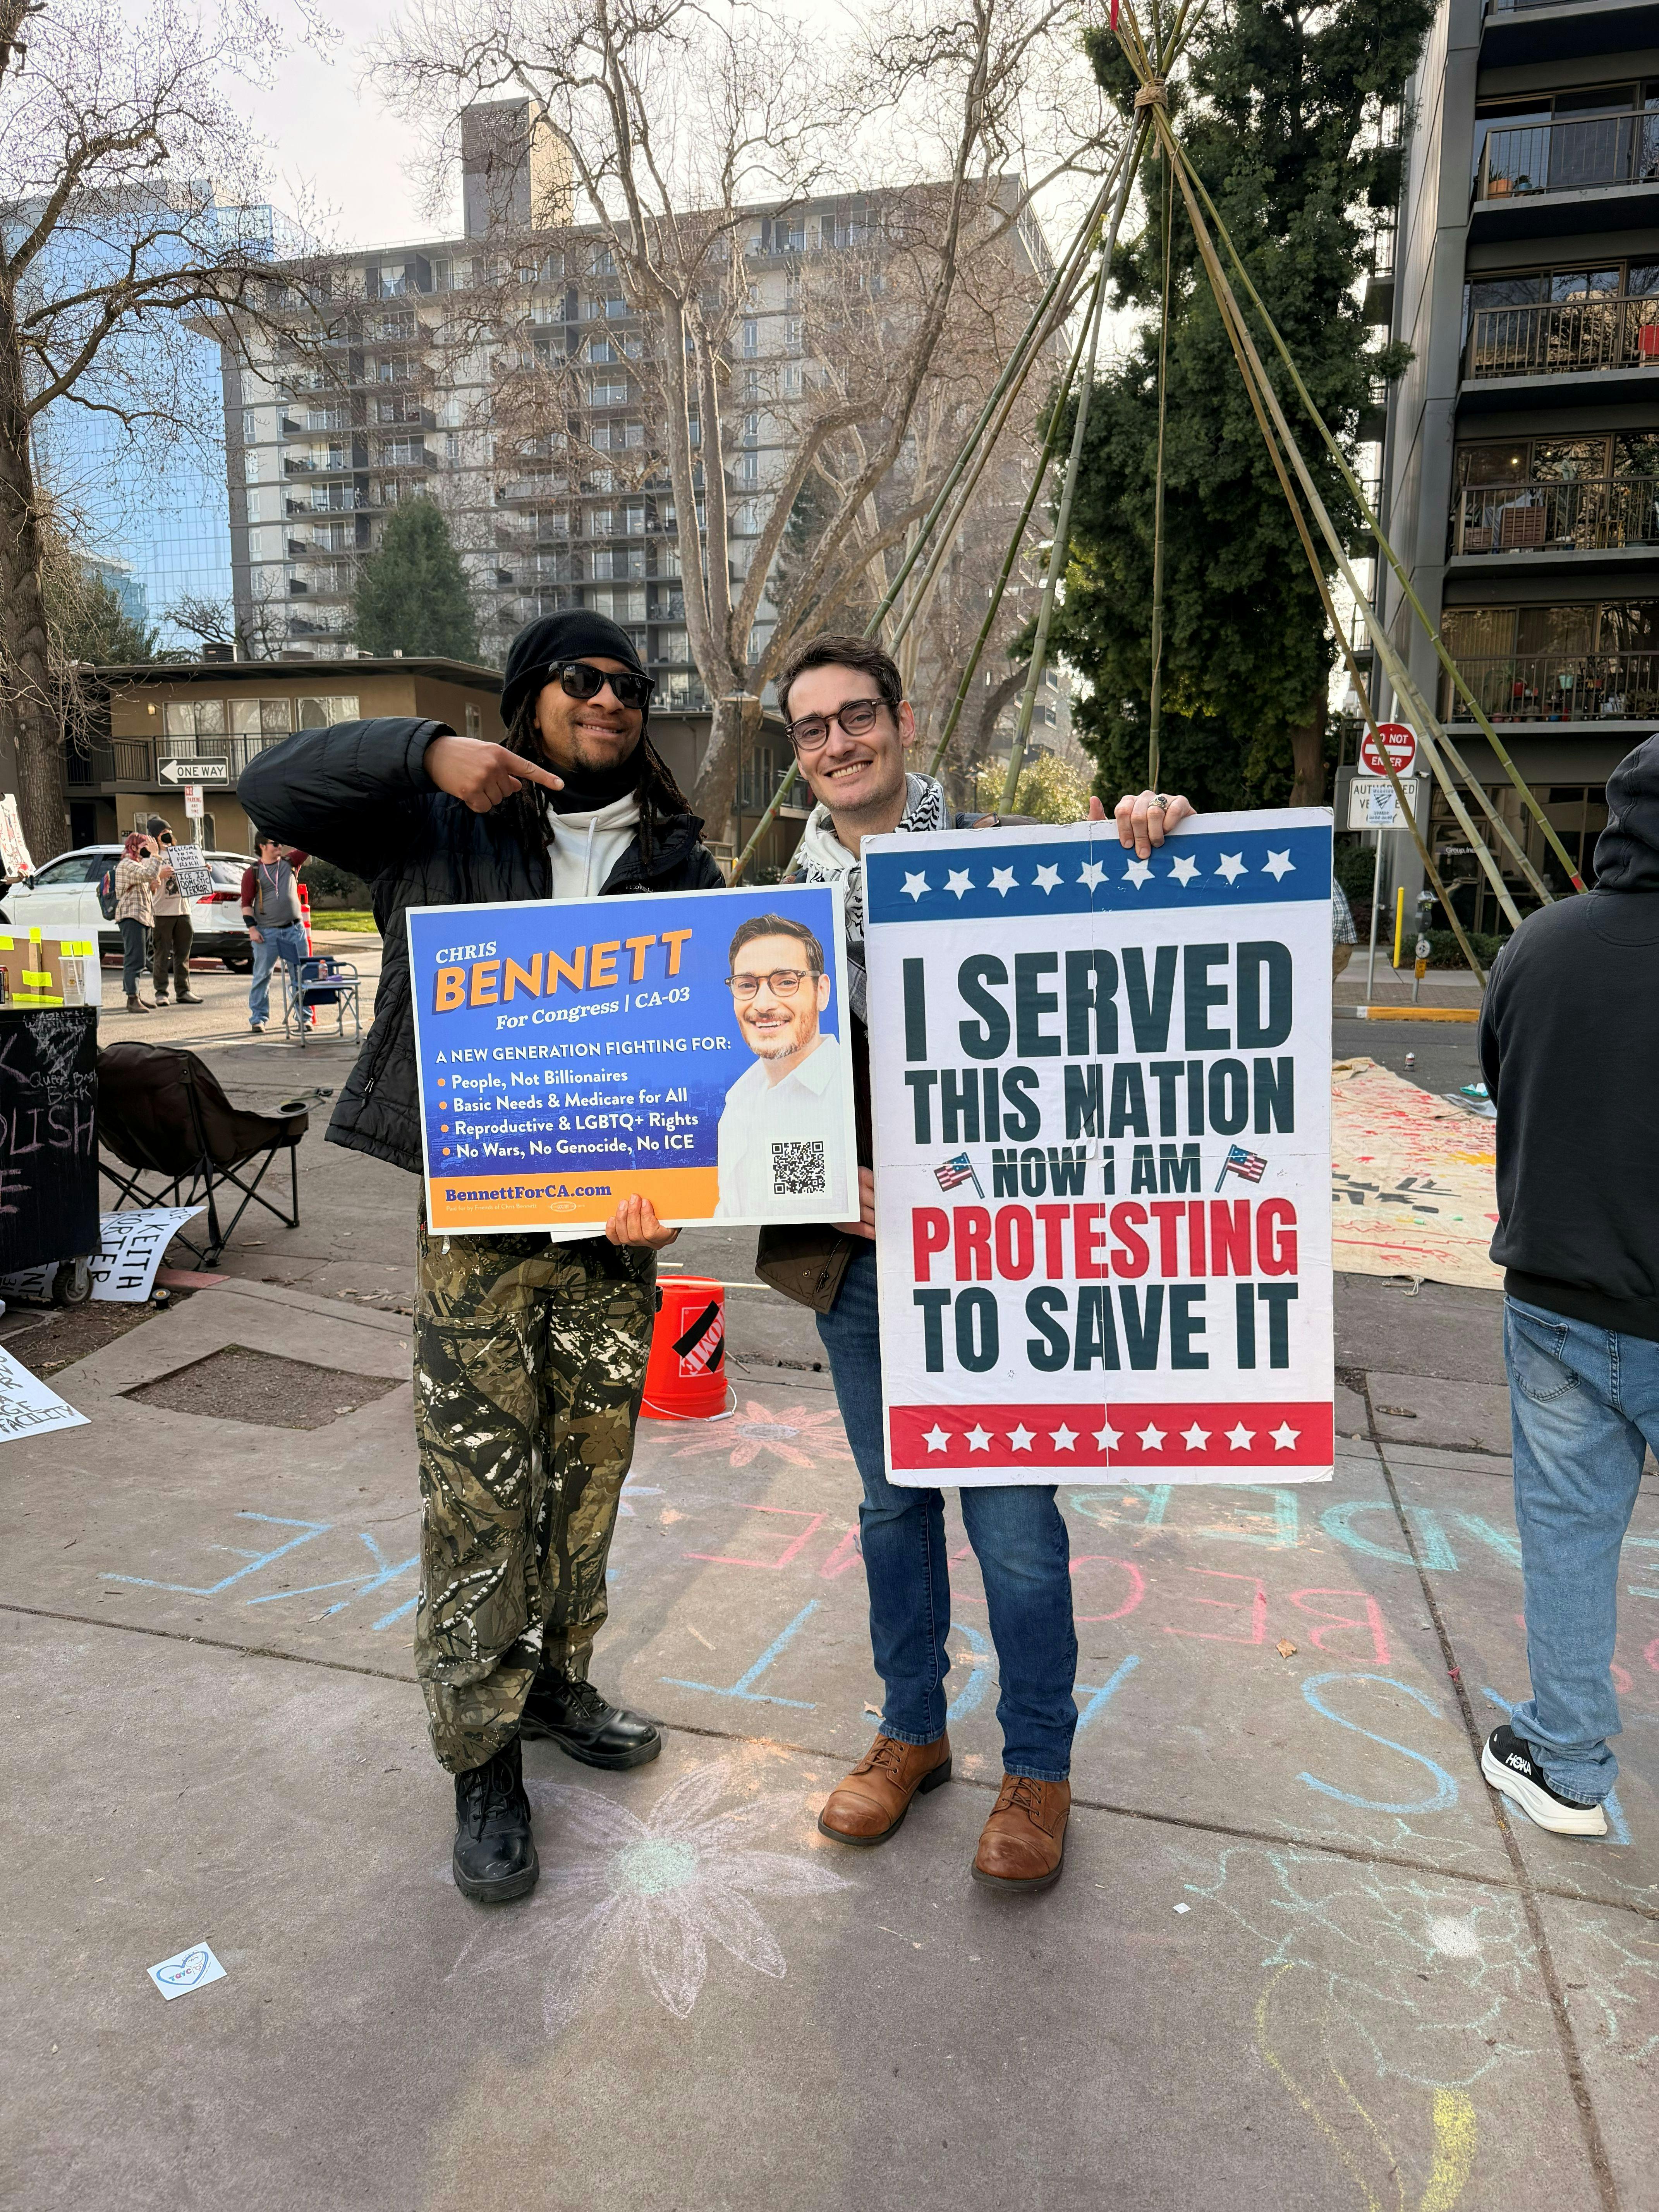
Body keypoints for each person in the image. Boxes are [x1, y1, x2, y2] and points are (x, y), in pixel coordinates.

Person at [239, 610, 724, 1904]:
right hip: (480, 1228)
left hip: (616, 1240)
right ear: (531, 696)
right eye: (582, 678)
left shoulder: (679, 861)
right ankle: (480, 1753)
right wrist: (428, 748)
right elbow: (268, 785)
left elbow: (711, 1049)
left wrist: (686, 1183)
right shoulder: (443, 819)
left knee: (586, 1482)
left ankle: (559, 1682)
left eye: (629, 684)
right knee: (477, 1497)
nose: (610, 699)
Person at [756, 630, 1194, 1893]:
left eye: (856, 717)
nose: (837, 743)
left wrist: (1166, 837)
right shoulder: (761, 905)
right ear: (797, 754)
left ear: (902, 719)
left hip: (993, 1270)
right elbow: (728, 1094)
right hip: (847, 1275)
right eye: (811, 729)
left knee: (1011, 1528)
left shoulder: (1015, 856)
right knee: (892, 1514)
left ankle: (1038, 1768)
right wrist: (818, 1182)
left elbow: (1282, 926)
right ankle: (911, 1736)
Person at [1475, 733, 1659, 1838]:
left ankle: (1566, 1764)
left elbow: (1503, 1082)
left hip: (1557, 1294)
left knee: (1568, 1535)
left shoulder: (1539, 945)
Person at [713, 912, 848, 1221]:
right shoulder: (738, 1102)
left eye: (786, 981)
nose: (763, 1004)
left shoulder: (855, 1091)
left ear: (822, 991)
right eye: (746, 985)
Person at [240, 834, 310, 1034]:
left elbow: (308, 846)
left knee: (300, 974)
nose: (280, 846)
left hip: (295, 930)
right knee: (262, 976)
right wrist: (252, 929)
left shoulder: (290, 862)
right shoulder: (253, 873)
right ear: (262, 846)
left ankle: (304, 1018)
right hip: (266, 934)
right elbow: (246, 905)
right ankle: (258, 1019)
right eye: (275, 843)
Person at [148, 819, 201, 1007]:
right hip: (162, 912)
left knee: (183, 954)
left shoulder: (180, 853)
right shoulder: (151, 857)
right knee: (162, 954)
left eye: (169, 831)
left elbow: (192, 874)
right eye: (163, 832)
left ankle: (184, 991)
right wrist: (159, 875)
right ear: (154, 836)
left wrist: (201, 871)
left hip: (183, 910)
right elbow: (146, 881)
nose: (168, 835)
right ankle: (161, 992)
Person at [113, 831, 167, 1013]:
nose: (147, 849)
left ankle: (136, 994)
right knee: (134, 959)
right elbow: (150, 873)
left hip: (143, 916)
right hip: (131, 917)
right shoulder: (127, 865)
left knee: (141, 959)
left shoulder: (137, 865)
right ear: (134, 847)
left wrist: (152, 888)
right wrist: (156, 854)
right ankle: (132, 998)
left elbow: (146, 884)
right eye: (144, 846)